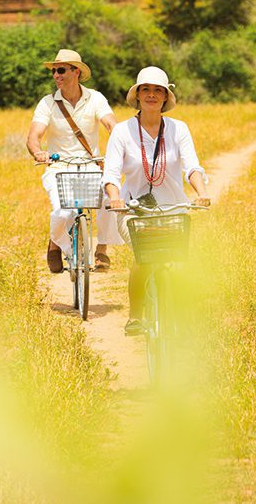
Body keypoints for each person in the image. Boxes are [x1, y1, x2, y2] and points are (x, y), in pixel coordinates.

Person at [103, 66, 209, 336]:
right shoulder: (123, 132)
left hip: (173, 208)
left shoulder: (178, 129)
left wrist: (201, 192)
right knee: (146, 257)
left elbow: (192, 167)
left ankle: (179, 313)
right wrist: (115, 199)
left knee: (179, 262)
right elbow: (112, 174)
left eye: (158, 90)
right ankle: (136, 316)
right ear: (137, 95)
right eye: (146, 89)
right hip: (133, 210)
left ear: (165, 97)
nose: (151, 95)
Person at [27, 49, 118, 273]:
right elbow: (34, 137)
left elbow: (111, 125)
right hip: (59, 168)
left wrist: (119, 146)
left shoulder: (95, 98)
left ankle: (102, 251)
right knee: (62, 212)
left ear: (76, 71)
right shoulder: (47, 103)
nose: (56, 75)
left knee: (111, 199)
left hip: (92, 166)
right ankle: (56, 243)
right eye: (54, 71)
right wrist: (39, 152)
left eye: (61, 70)